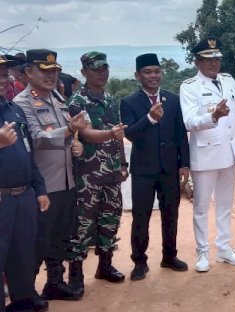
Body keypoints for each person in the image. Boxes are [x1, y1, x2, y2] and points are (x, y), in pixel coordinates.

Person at [13, 49, 86, 304]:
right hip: (43, 184)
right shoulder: (23, 103)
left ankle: (55, 283)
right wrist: (69, 131)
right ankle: (27, 291)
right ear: (28, 72)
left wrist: (77, 144)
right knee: (37, 241)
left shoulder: (57, 97)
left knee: (60, 236)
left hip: (66, 180)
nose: (51, 75)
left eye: (54, 70)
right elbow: (36, 139)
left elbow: (69, 135)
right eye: (44, 70)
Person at [120, 53, 190, 281]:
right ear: (137, 75)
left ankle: (169, 256)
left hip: (170, 168)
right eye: (148, 72)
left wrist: (184, 164)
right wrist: (149, 118)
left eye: (156, 71)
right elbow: (129, 133)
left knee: (171, 215)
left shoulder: (173, 99)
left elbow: (181, 134)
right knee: (141, 217)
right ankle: (139, 261)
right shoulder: (129, 102)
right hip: (143, 170)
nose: (153, 76)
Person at [180, 36, 235, 272]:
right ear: (197, 62)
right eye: (208, 59)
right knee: (201, 206)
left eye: (217, 58)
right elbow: (189, 122)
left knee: (225, 204)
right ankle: (203, 252)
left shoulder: (229, 81)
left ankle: (224, 249)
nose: (214, 63)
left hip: (228, 153)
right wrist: (213, 117)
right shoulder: (189, 87)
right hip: (205, 155)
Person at [67, 51, 129, 294]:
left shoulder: (111, 99)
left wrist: (123, 164)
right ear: (84, 72)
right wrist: (112, 134)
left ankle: (105, 265)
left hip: (112, 173)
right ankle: (75, 273)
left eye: (104, 68)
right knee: (83, 224)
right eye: (95, 69)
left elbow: (119, 136)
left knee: (110, 220)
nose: (101, 73)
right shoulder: (77, 102)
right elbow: (87, 134)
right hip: (88, 176)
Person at [0, 54, 49, 312]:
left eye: (4, 72)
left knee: (22, 260)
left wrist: (39, 188)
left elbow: (28, 153)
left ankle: (22, 305)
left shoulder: (13, 109)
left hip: (24, 197)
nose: (2, 78)